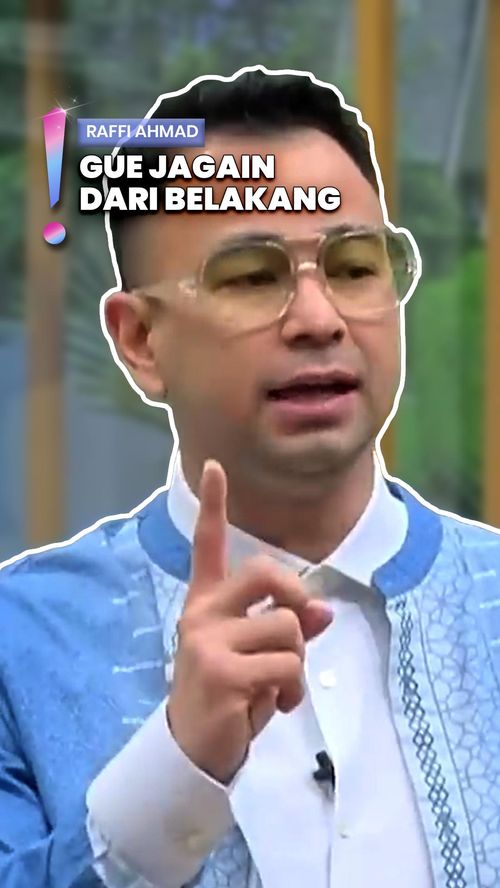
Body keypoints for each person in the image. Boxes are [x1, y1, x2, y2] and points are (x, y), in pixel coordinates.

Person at [0, 67, 499, 888]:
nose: (319, 319)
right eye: (252, 277)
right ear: (140, 341)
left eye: (355, 265)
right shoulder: (21, 645)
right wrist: (173, 774)